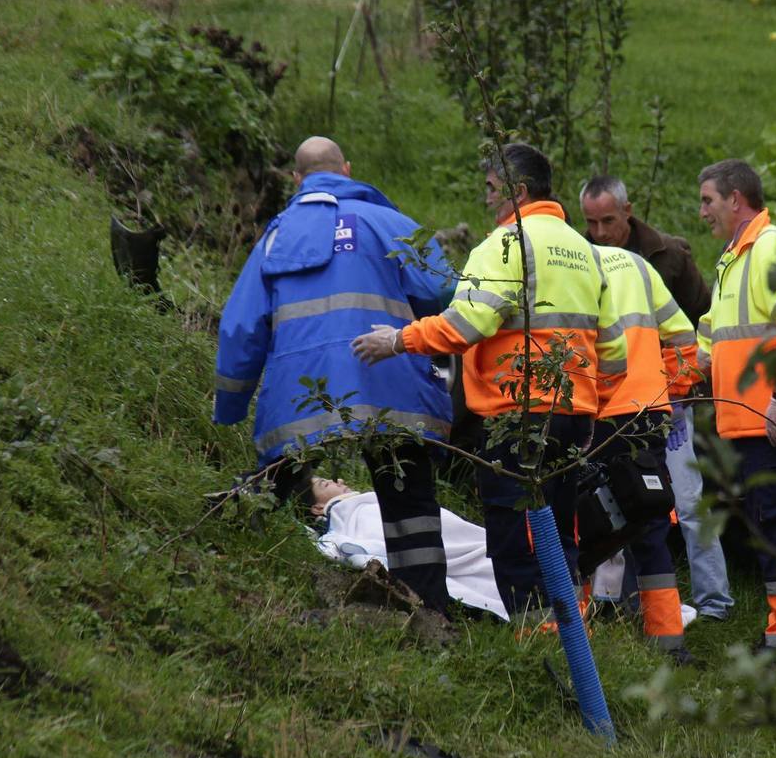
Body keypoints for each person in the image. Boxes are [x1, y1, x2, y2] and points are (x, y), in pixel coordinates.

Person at [353, 144, 627, 625]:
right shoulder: (586, 252)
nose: (487, 200)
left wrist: (398, 340)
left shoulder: (505, 244)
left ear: (517, 192)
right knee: (558, 536)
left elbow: (464, 326)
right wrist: (585, 407)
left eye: (492, 189)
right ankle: (571, 645)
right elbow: (615, 355)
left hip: (516, 419)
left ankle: (536, 646)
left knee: (516, 541)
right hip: (571, 417)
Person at [213, 136, 455, 614]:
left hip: (301, 397)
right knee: (410, 502)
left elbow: (240, 329)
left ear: (296, 180)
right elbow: (444, 289)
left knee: (280, 475)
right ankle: (429, 613)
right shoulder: (390, 223)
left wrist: (230, 407)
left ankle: (229, 553)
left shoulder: (276, 237)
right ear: (347, 169)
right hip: (391, 384)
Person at [580, 175, 734, 623]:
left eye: (608, 220)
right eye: (592, 222)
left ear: (627, 211)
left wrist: (676, 386)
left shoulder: (667, 256)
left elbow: (699, 322)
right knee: (628, 510)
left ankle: (714, 602)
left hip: (663, 405)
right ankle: (626, 605)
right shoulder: (585, 258)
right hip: (634, 407)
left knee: (685, 504)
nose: (601, 231)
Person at [695, 159, 776, 661]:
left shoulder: (770, 248)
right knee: (772, 528)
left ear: (735, 199)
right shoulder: (734, 258)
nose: (702, 211)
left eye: (708, 200)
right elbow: (715, 334)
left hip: (775, 422)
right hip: (751, 424)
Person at [589, 241, 702, 662]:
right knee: (651, 524)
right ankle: (669, 641)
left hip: (598, 416)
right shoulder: (636, 264)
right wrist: (674, 393)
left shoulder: (565, 265)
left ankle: (581, 640)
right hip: (648, 413)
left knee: (586, 523)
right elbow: (683, 335)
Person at [304, 476, 508, 621]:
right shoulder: (348, 515)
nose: (337, 481)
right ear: (317, 508)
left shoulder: (365, 502)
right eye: (325, 484)